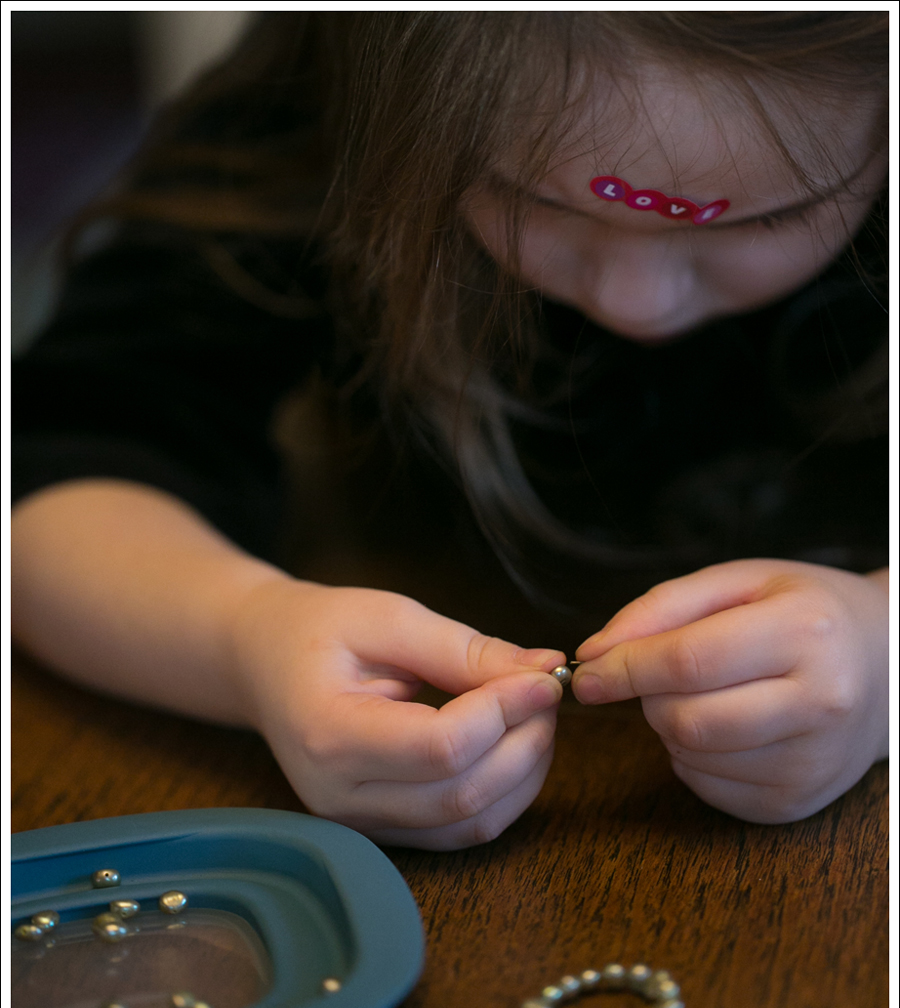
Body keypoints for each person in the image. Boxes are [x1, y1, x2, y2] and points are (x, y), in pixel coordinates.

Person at [12, 13, 889, 849]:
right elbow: (60, 462)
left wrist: (885, 650)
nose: (637, 299)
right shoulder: (316, 95)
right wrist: (242, 637)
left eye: (763, 218)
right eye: (533, 199)